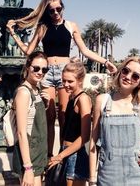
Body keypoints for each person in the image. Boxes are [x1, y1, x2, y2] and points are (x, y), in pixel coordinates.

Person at [6, 0, 117, 157]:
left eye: (59, 8)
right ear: (47, 11)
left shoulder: (71, 26)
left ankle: (62, 155)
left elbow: (85, 50)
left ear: (63, 7)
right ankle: (49, 156)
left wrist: (105, 62)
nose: (56, 13)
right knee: (49, 117)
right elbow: (28, 50)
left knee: (64, 116)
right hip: (47, 73)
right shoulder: (42, 28)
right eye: (52, 10)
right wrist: (13, 33)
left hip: (64, 72)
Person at [89, 56, 140, 186]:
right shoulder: (103, 101)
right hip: (107, 177)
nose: (128, 77)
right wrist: (92, 178)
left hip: (137, 176)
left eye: (135, 76)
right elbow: (94, 142)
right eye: (126, 71)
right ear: (120, 71)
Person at [48, 58, 92, 186]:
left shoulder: (83, 99)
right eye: (64, 80)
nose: (65, 84)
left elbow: (85, 136)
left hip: (76, 156)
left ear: (80, 81)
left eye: (70, 81)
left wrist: (61, 156)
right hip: (66, 151)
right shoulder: (72, 97)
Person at [12, 51, 49, 186]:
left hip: (37, 155)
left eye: (44, 69)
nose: (40, 72)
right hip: (29, 158)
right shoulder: (24, 92)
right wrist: (28, 167)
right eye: (36, 68)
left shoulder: (35, 90)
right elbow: (21, 133)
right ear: (28, 67)